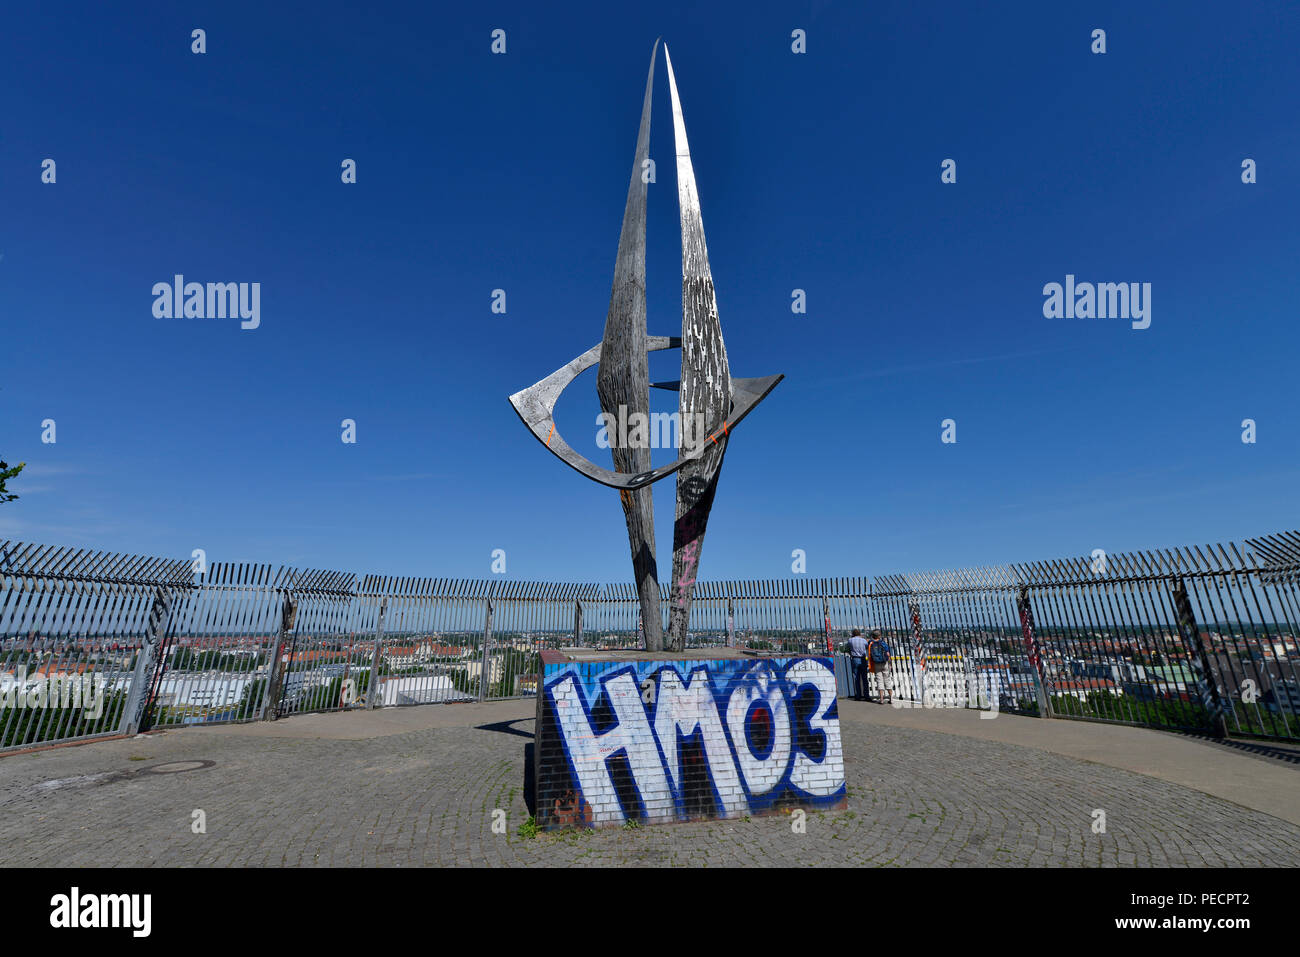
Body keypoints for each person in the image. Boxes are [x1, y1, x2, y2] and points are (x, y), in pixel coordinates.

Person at [866, 628, 891, 704]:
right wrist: (890, 663)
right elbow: (888, 654)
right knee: (887, 680)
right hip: (884, 663)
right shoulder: (883, 643)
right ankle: (891, 698)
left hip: (876, 664)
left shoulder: (871, 643)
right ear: (879, 636)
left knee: (879, 681)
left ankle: (881, 699)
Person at [846, 628, 869, 701]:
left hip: (855, 659)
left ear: (853, 634)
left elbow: (847, 648)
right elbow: (867, 647)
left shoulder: (850, 640)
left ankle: (858, 695)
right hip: (863, 659)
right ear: (860, 634)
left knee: (856, 678)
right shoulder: (863, 640)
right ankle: (866, 695)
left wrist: (851, 653)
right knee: (864, 678)